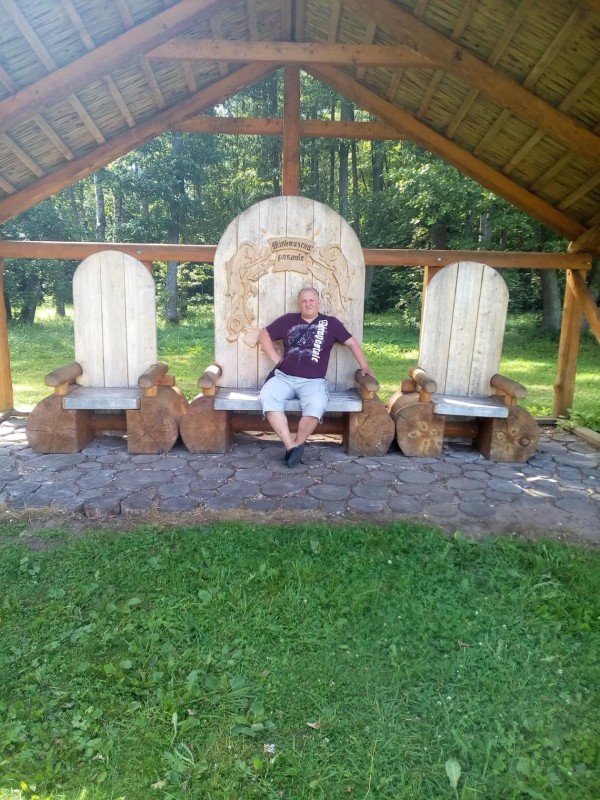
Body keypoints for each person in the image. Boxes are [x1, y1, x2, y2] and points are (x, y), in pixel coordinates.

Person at [258, 286, 376, 467]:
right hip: (284, 377)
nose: (308, 304)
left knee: (316, 405)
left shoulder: (330, 323)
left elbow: (352, 343)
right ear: (299, 303)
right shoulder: (288, 320)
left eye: (311, 300)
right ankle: (290, 446)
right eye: (304, 301)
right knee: (268, 397)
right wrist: (276, 358)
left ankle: (298, 443)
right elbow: (264, 334)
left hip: (313, 382)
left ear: (318, 302)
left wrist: (365, 367)